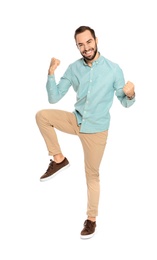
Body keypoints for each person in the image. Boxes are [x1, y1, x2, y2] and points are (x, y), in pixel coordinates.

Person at [35, 25, 135, 239]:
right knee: (42, 116)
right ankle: (59, 159)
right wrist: (51, 74)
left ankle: (91, 220)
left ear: (96, 40)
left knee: (92, 175)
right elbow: (54, 98)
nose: (86, 47)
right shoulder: (73, 68)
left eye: (88, 42)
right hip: (76, 120)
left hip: (97, 130)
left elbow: (125, 104)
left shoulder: (113, 69)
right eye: (81, 44)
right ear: (77, 46)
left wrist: (130, 93)